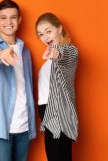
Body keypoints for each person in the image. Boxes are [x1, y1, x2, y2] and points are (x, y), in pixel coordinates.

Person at [0, 0, 36, 161]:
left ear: (19, 20)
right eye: (3, 18)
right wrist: (1, 54)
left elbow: (28, 87)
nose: (8, 22)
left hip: (24, 126)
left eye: (13, 17)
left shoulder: (25, 51)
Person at [35, 12, 78, 161]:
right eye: (41, 34)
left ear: (59, 28)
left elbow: (66, 54)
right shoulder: (49, 61)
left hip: (58, 114)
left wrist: (56, 53)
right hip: (50, 114)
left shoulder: (69, 51)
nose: (45, 37)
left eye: (48, 31)